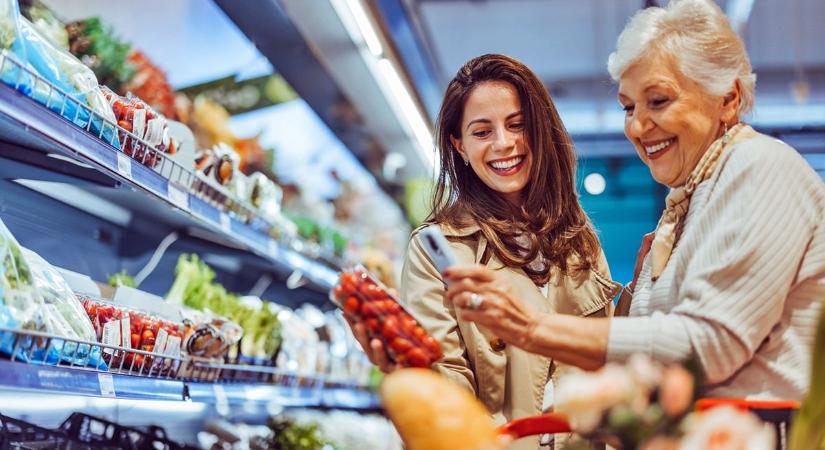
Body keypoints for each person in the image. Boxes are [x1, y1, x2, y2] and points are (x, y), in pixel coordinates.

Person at [445, 0, 825, 401]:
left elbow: (708, 345)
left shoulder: (759, 168)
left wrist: (531, 328)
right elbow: (644, 357)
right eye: (628, 107)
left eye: (658, 101)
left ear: (727, 98)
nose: (638, 127)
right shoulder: (687, 206)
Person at [349, 53, 620, 448]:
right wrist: (409, 370)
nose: (504, 143)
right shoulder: (437, 248)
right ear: (458, 145)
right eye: (481, 131)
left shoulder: (578, 237)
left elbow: (607, 357)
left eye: (517, 124)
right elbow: (447, 390)